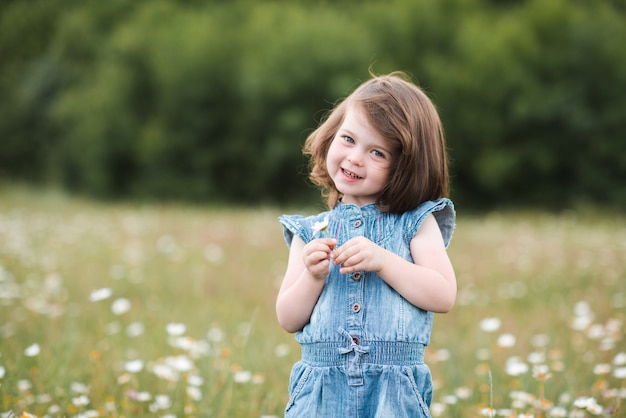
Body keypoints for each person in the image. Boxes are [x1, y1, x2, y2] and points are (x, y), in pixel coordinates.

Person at [276, 71, 456, 417]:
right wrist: (312, 277)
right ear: (331, 135)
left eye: (377, 152)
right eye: (348, 139)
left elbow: (443, 294)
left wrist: (384, 261)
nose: (355, 158)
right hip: (321, 393)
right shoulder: (310, 233)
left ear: (406, 167)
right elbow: (288, 318)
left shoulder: (416, 223)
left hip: (393, 392)